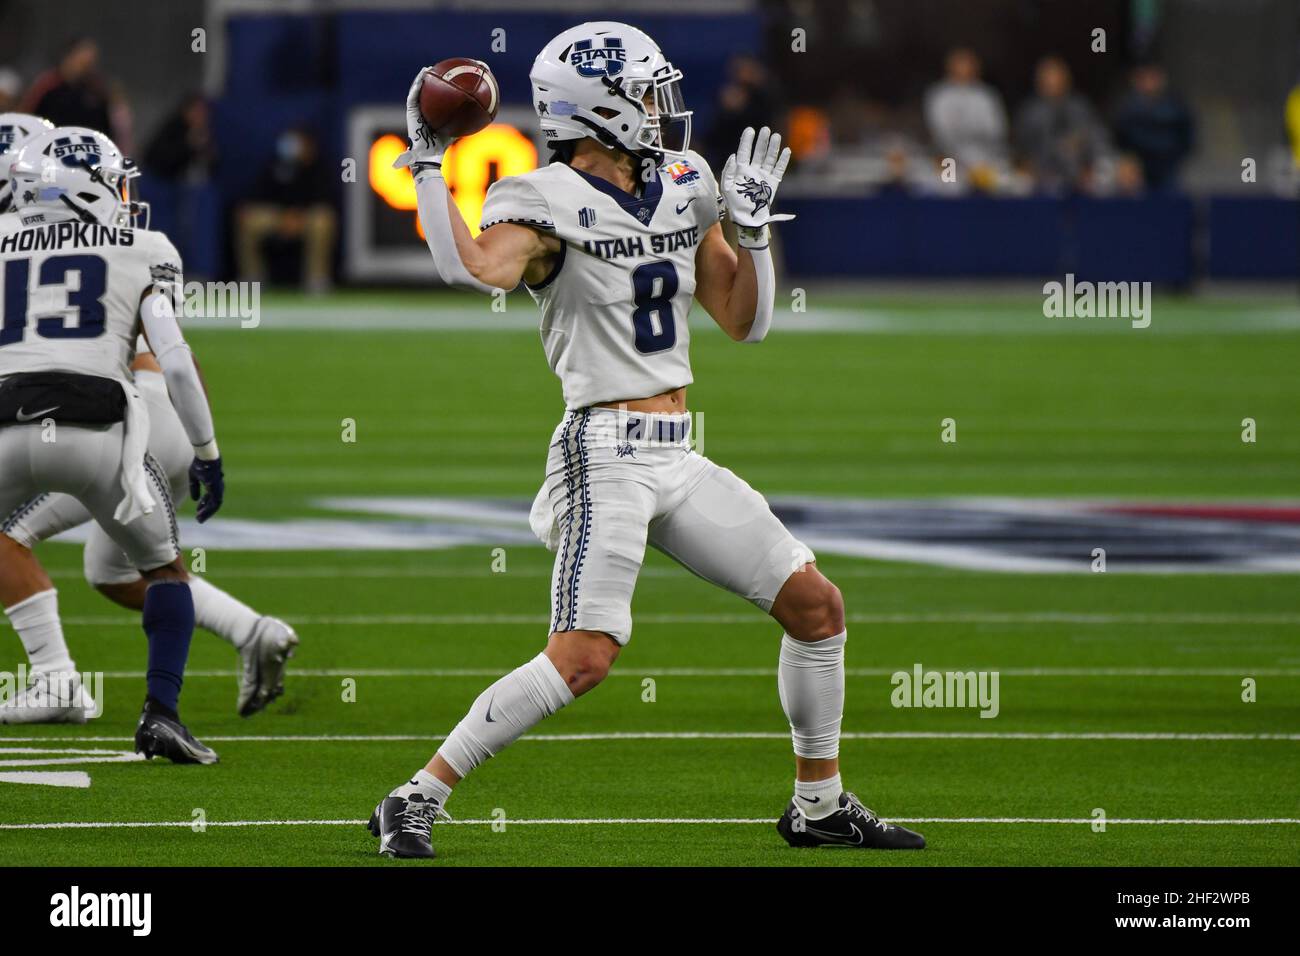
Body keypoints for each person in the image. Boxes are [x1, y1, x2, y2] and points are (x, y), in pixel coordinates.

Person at [368, 21, 925, 859]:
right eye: (646, 94)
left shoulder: (684, 182)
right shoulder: (543, 197)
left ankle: (818, 805)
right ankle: (415, 797)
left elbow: (744, 322)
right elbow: (469, 267)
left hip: (677, 449)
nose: (664, 110)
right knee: (584, 656)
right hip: (602, 451)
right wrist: (424, 157)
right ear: (601, 110)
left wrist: (754, 235)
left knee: (816, 607)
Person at [0, 126, 223, 762]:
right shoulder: (145, 246)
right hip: (102, 430)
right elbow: (174, 362)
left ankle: (52, 674)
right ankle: (162, 715)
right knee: (165, 571)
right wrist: (206, 452)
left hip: (6, 424)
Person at [0, 340, 298, 723]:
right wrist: (201, 444)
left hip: (119, 418)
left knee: (8, 534)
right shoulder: (123, 281)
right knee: (115, 572)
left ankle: (56, 680)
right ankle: (252, 631)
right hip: (169, 411)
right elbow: (179, 356)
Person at [235, 127, 336, 292]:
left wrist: (298, 215)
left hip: (306, 218)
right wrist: (283, 216)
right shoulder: (276, 164)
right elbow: (259, 194)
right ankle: (253, 278)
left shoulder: (319, 167)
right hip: (277, 217)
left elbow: (324, 200)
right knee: (248, 219)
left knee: (323, 220)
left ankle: (316, 279)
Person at [1015, 55, 1107, 193]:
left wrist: (1088, 166)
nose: (1052, 82)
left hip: (1080, 178)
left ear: (1066, 79)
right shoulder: (1030, 112)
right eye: (1047, 77)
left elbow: (1097, 139)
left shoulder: (1080, 108)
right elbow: (1021, 150)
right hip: (1040, 179)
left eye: (1056, 76)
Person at [22, 37, 132, 151]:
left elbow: (112, 131)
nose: (88, 62)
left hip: (85, 154)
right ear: (70, 55)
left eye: (92, 59)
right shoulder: (48, 84)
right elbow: (27, 115)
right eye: (84, 57)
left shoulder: (98, 91)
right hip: (46, 150)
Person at [924, 48, 1009, 181]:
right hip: (950, 158)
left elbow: (997, 129)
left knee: (999, 181)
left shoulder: (986, 95)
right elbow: (940, 131)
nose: (963, 69)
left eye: (967, 64)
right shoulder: (939, 95)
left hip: (984, 157)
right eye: (959, 64)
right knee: (948, 185)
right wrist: (971, 131)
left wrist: (966, 130)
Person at [1113, 63, 1194, 192]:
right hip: (1137, 169)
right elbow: (1121, 140)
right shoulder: (1127, 109)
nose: (1150, 83)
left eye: (1154, 78)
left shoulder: (1177, 107)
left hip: (1169, 168)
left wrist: (1172, 156)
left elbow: (1187, 138)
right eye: (1145, 78)